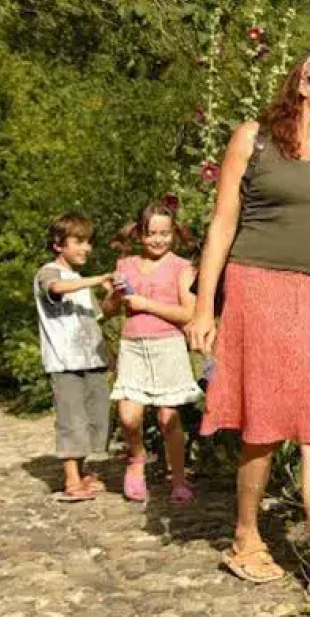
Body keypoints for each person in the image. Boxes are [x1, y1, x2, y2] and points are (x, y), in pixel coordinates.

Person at [185, 47, 310, 608]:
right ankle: (245, 537)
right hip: (257, 285)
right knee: (264, 421)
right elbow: (222, 223)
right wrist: (204, 306)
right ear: (304, 83)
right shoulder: (254, 138)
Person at [106, 201, 203, 504]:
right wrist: (115, 296)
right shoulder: (126, 265)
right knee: (129, 415)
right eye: (151, 234)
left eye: (164, 233)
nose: (157, 240)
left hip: (168, 347)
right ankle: (136, 458)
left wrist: (146, 305)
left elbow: (189, 314)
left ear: (173, 232)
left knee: (168, 419)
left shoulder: (182, 268)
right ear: (139, 235)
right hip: (134, 347)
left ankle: (178, 477)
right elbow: (108, 310)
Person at [34, 213, 115, 502]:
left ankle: (83, 472)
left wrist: (112, 296)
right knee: (72, 419)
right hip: (65, 363)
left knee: (96, 418)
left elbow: (97, 319)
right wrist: (97, 279)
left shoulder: (80, 280)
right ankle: (70, 480)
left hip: (93, 361)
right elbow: (56, 289)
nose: (86, 248)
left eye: (88, 242)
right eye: (78, 242)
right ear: (58, 244)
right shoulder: (49, 272)